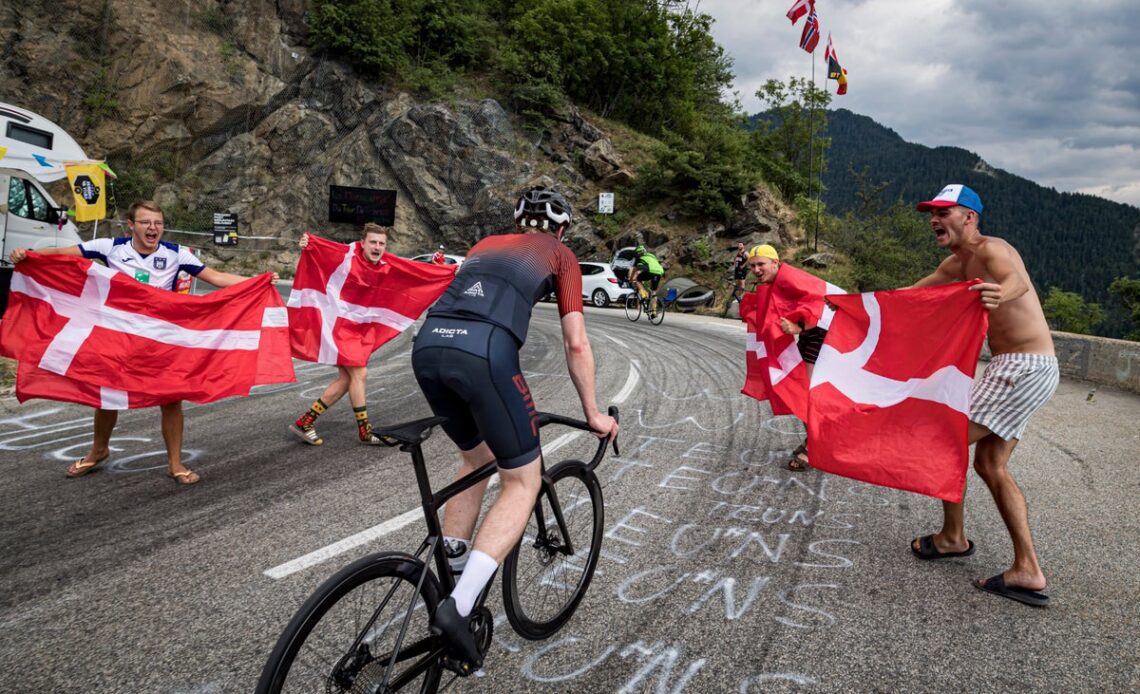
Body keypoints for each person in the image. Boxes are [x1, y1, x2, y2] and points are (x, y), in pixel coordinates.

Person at [411, 187, 618, 665]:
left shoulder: (485, 245)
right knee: (523, 480)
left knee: (476, 456)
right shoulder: (561, 256)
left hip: (428, 348)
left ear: (520, 222)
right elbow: (576, 343)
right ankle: (457, 612)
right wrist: (592, 413)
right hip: (484, 354)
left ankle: (455, 563)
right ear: (562, 228)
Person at [8, 200, 277, 485]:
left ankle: (175, 463)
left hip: (162, 339)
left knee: (171, 398)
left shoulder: (176, 254)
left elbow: (216, 277)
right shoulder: (110, 247)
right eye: (146, 222)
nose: (153, 228)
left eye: (158, 223)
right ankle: (98, 450)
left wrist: (258, 281)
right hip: (120, 338)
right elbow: (62, 253)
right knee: (106, 394)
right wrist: (27, 254)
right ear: (132, 225)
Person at [908, 184, 1058, 607]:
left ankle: (953, 538)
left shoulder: (992, 249)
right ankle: (1027, 569)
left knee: (943, 443)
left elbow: (1018, 282)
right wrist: (851, 308)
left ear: (969, 217)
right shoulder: (957, 263)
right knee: (990, 464)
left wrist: (1000, 293)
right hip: (1025, 368)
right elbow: (911, 298)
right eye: (932, 213)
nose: (935, 219)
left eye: (944, 211)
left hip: (1022, 367)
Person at [290, 223, 391, 446]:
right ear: (362, 242)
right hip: (337, 325)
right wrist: (308, 243)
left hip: (355, 329)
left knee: (347, 379)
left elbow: (413, 273)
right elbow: (321, 251)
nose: (377, 247)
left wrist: (446, 271)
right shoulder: (346, 255)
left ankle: (305, 421)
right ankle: (365, 431)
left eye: (381, 243)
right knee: (360, 373)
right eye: (373, 242)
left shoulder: (386, 263)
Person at [746, 244, 827, 471]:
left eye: (761, 264)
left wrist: (799, 325)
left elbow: (818, 302)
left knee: (804, 392)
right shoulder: (773, 282)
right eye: (752, 266)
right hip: (812, 338)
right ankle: (816, 441)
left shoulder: (790, 279)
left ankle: (814, 447)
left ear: (776, 263)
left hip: (822, 336)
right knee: (803, 392)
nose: (757, 269)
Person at [628, 243, 665, 316]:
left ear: (637, 253)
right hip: (659, 272)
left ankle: (644, 295)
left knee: (638, 279)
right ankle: (654, 311)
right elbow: (649, 265)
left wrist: (631, 279)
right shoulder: (651, 255)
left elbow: (635, 270)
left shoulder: (639, 258)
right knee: (654, 292)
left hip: (650, 271)